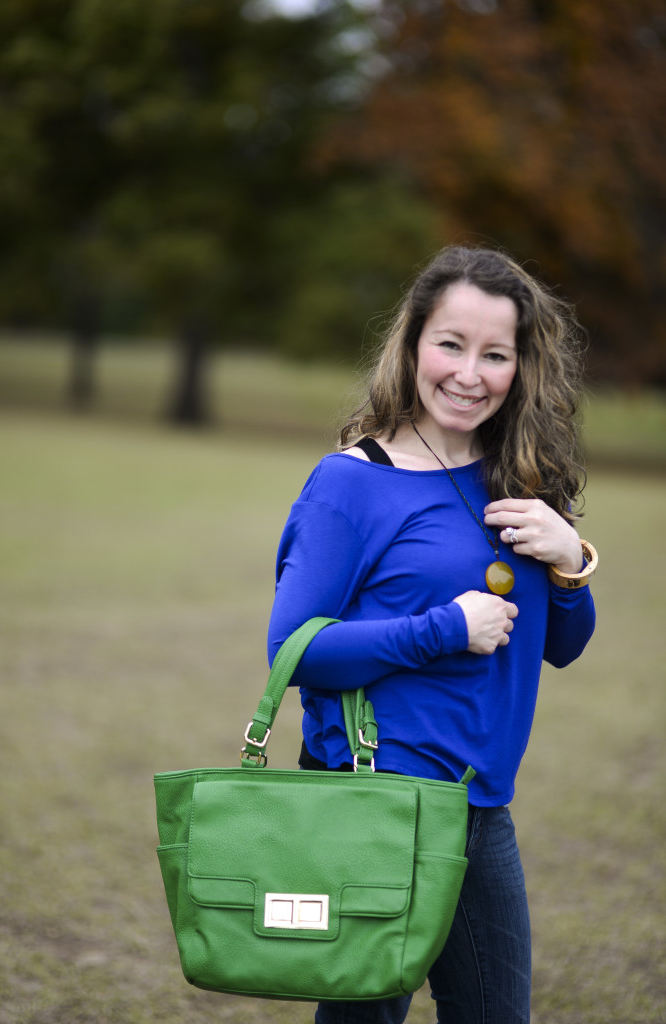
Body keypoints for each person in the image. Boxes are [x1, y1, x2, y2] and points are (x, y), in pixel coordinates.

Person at [267, 245, 597, 1024]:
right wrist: (443, 628)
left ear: (522, 366)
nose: (469, 374)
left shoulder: (521, 479)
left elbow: (561, 645)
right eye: (450, 345)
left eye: (495, 354)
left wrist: (570, 563)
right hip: (376, 801)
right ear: (413, 343)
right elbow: (296, 652)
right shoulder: (351, 482)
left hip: (480, 810)